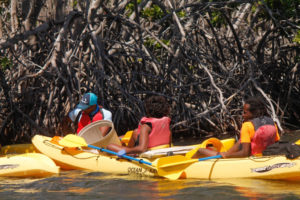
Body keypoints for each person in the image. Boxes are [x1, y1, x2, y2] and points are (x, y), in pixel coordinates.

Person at [195, 97, 280, 158]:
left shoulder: (247, 126)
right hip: (265, 155)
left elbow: (244, 153)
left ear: (254, 112)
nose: (243, 115)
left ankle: (191, 163)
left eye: (245, 112)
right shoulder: (272, 123)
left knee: (200, 151)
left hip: (252, 157)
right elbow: (277, 145)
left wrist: (226, 155)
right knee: (241, 141)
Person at [107, 95, 172, 156]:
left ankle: (125, 151)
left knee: (109, 146)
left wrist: (126, 151)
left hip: (148, 152)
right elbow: (169, 144)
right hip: (161, 150)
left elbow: (142, 149)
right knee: (134, 132)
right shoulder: (166, 124)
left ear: (148, 110)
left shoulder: (146, 127)